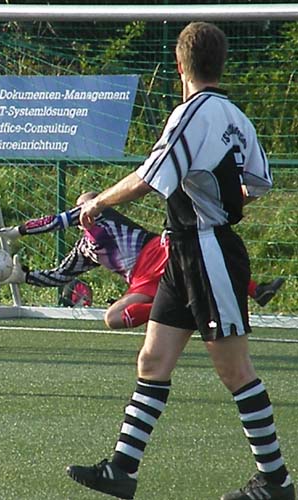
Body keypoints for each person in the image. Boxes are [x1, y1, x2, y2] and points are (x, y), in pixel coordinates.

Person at [65, 23, 294, 500]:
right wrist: (222, 200)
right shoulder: (235, 116)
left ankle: (277, 482)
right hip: (185, 252)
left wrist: (99, 204)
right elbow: (258, 183)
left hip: (207, 251)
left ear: (179, 63)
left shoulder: (189, 114)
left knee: (235, 371)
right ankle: (122, 471)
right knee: (152, 359)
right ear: (221, 63)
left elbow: (149, 177)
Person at [0, 192, 284, 329]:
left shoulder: (103, 215)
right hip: (142, 282)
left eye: (91, 203)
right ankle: (183, 307)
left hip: (159, 252)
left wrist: (20, 230)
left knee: (204, 250)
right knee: (112, 318)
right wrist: (22, 277)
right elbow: (59, 276)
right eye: (84, 204)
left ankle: (256, 290)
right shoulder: (85, 250)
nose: (87, 208)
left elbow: (58, 221)